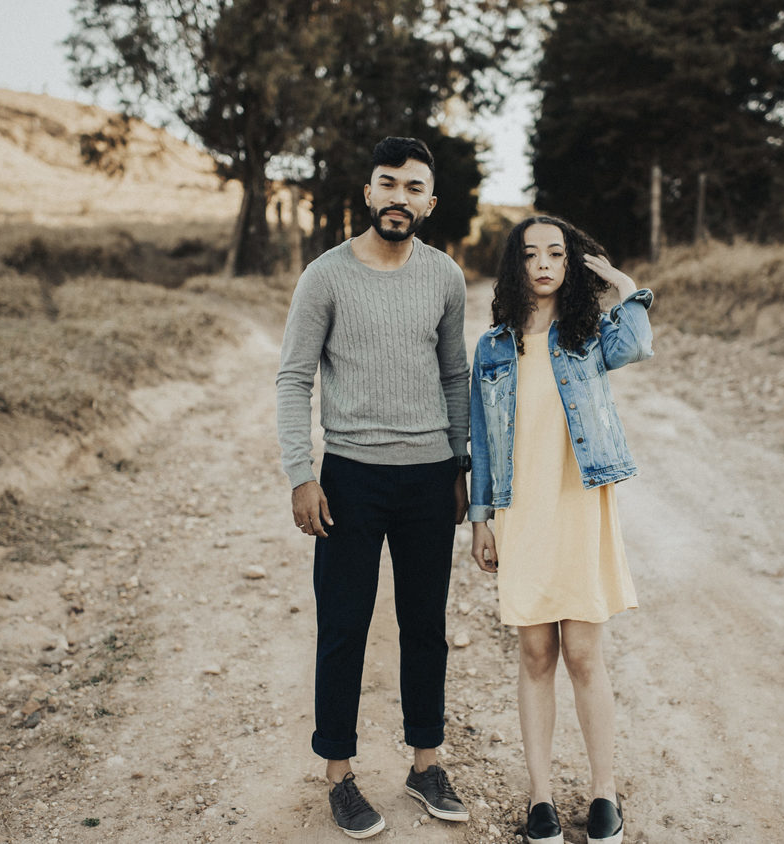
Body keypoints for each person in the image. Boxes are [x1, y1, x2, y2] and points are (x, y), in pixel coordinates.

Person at [275, 136, 472, 839]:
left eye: (413, 187)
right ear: (367, 193)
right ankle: (340, 776)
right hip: (350, 479)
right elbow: (294, 377)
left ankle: (425, 765)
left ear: (429, 202)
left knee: (425, 628)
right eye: (387, 183)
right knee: (344, 627)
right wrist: (302, 472)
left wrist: (459, 465)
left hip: (427, 480)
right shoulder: (325, 277)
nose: (400, 197)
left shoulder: (446, 277)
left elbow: (456, 375)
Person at [468, 215, 654, 844]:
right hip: (523, 512)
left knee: (582, 653)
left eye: (556, 253)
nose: (543, 263)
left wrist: (624, 283)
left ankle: (604, 795)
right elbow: (484, 445)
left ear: (571, 263)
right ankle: (541, 799)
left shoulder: (587, 336)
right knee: (535, 652)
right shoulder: (494, 346)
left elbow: (638, 344)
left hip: (579, 506)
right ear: (514, 266)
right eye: (530, 254)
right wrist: (480, 519)